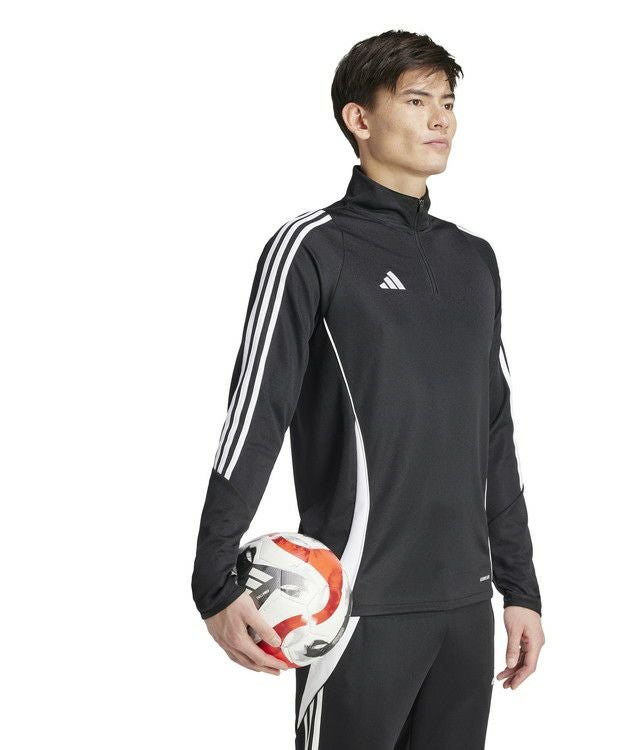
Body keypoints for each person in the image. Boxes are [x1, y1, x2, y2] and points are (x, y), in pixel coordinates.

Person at [191, 29, 545, 750]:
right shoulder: (313, 248)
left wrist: (521, 589)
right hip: (353, 608)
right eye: (416, 101)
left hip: (464, 611)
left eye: (448, 102)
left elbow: (495, 433)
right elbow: (256, 414)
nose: (441, 119)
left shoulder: (474, 259)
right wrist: (212, 582)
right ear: (359, 118)